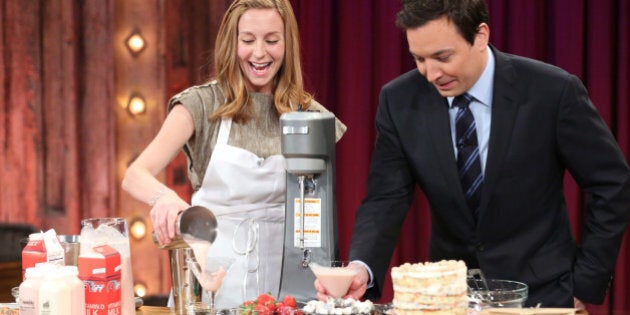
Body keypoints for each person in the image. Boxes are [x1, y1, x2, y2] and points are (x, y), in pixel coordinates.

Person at [315, 0, 630, 308]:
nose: (430, 73)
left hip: (544, 293)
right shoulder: (399, 101)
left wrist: (585, 282)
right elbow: (386, 197)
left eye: (442, 57)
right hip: (450, 298)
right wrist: (361, 268)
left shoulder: (553, 91)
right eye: (419, 59)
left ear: (481, 35)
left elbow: (612, 184)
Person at [122, 0, 346, 308]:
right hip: (212, 283)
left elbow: (319, 213)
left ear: (288, 43)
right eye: (248, 40)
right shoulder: (202, 104)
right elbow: (135, 174)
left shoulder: (310, 116)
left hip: (286, 289)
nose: (259, 53)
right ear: (232, 42)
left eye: (271, 40)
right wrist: (164, 198)